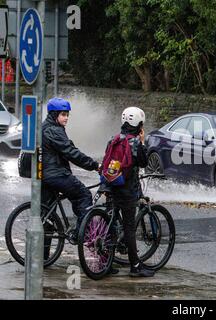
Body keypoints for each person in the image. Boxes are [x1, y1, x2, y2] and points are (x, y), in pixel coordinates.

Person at [42, 97, 99, 243]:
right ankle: (81, 234)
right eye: (63, 114)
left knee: (47, 215)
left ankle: (42, 257)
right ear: (54, 115)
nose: (66, 118)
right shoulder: (54, 130)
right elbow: (71, 153)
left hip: (44, 175)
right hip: (56, 174)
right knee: (83, 195)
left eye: (67, 114)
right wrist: (94, 165)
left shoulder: (45, 127)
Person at [106, 107, 155, 277]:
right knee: (129, 228)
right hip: (127, 190)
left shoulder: (114, 139)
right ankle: (135, 265)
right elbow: (143, 163)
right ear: (139, 125)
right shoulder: (134, 142)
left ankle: (106, 263)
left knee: (110, 223)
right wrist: (142, 142)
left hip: (111, 186)